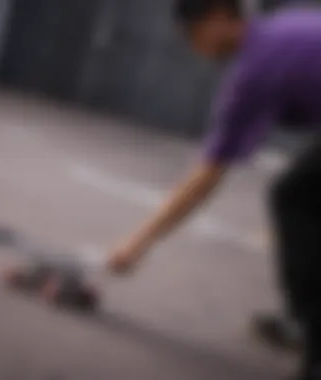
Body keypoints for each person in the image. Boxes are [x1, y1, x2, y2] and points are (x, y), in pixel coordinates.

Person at [107, 1, 321, 379]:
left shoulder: (256, 72)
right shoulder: (283, 28)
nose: (193, 47)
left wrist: (136, 244)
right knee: (303, 195)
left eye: (193, 34)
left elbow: (204, 180)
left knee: (294, 198)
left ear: (221, 15)